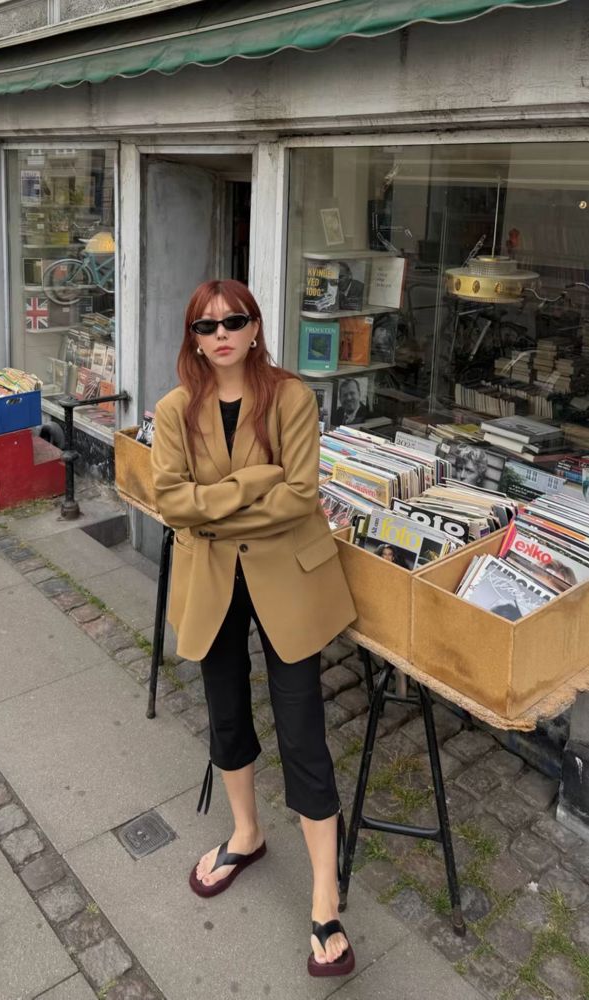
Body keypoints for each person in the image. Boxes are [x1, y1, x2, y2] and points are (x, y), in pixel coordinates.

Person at [151, 279, 357, 978]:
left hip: (288, 581)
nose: (221, 335)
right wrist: (251, 483)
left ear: (255, 327)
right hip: (212, 579)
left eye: (233, 321)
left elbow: (299, 496)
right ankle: (246, 833)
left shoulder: (291, 397)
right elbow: (169, 500)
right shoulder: (175, 409)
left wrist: (211, 506)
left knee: (302, 729)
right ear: (193, 337)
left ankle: (325, 896)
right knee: (226, 711)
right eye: (206, 326)